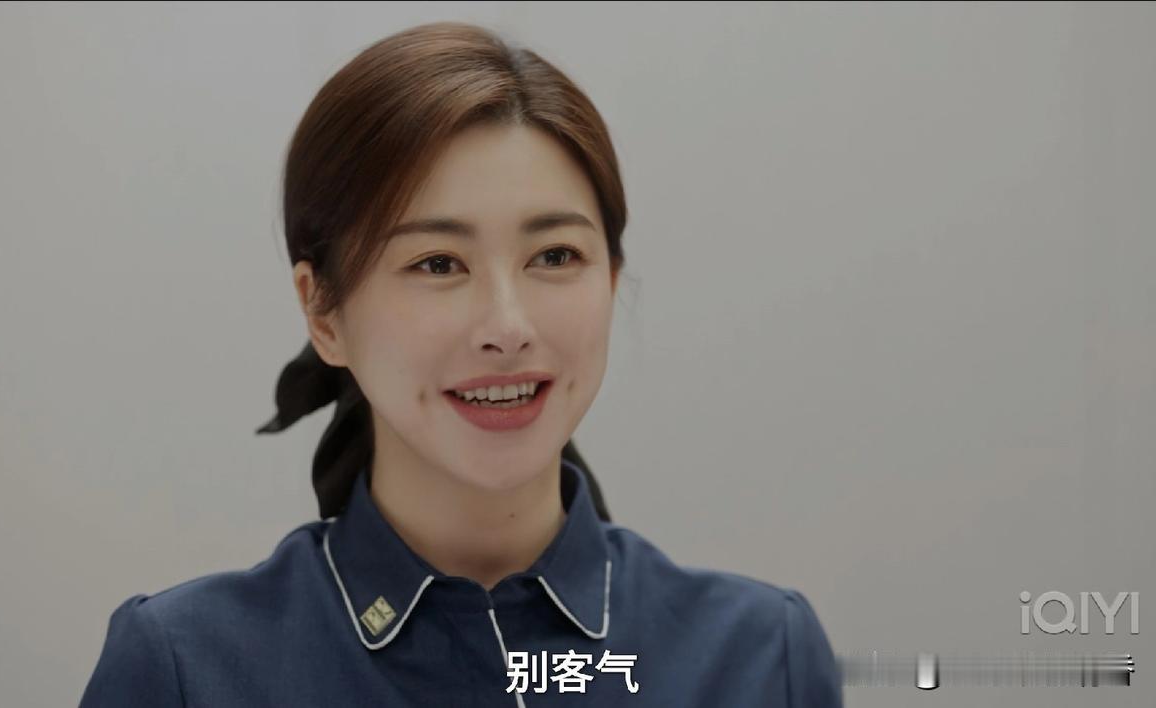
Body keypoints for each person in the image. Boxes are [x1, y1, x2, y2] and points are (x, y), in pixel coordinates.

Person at [80, 21, 842, 707]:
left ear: (611, 280)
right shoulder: (188, 668)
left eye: (554, 255)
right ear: (323, 313)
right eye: (438, 263)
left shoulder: (761, 657)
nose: (507, 328)